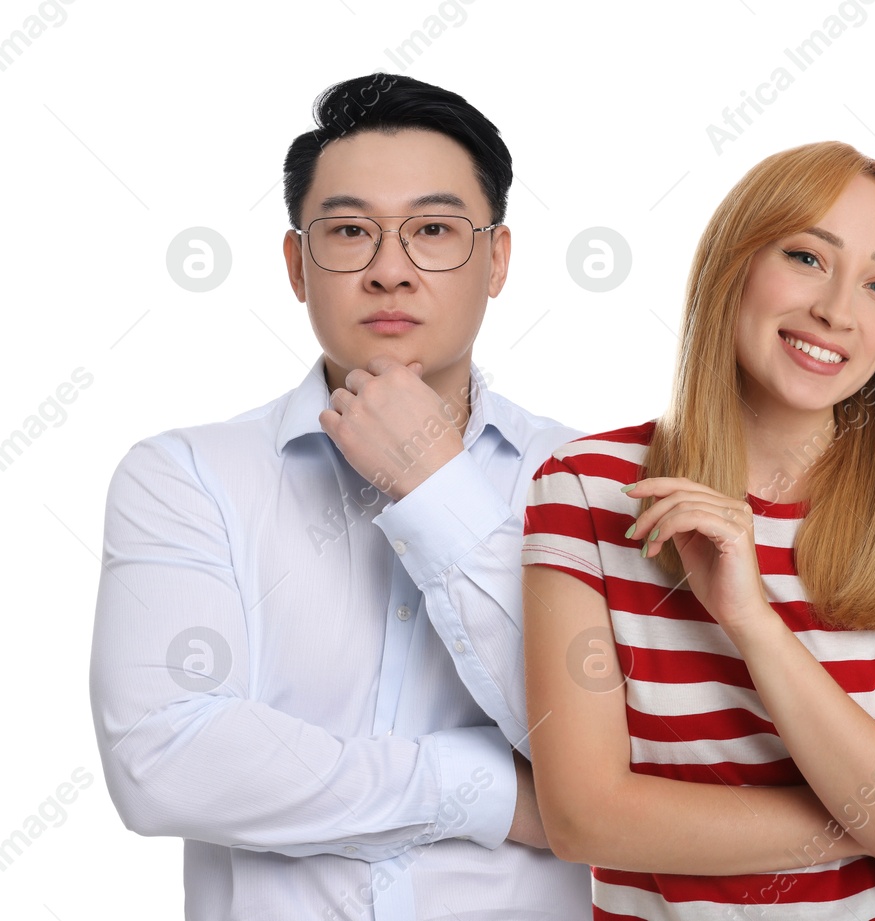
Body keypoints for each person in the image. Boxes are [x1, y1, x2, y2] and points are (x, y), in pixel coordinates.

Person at [88, 74, 590, 920]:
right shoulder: (185, 476)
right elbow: (162, 758)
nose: (390, 271)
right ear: (296, 265)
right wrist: (495, 792)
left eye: (433, 230)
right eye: (351, 232)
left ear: (496, 259)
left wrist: (435, 483)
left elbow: (623, 743)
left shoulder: (589, 477)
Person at [519, 141, 875, 920]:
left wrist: (751, 621)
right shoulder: (586, 488)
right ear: (732, 264)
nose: (838, 311)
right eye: (808, 257)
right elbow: (583, 818)